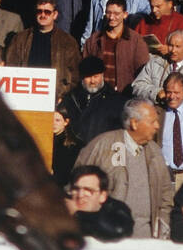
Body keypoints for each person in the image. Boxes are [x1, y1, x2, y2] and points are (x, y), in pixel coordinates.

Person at [74, 98, 172, 239]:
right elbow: (76, 186)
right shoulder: (102, 145)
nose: (157, 126)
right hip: (107, 240)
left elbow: (166, 195)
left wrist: (163, 226)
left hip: (147, 241)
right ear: (134, 123)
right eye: (152, 122)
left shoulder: (155, 152)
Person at [4, 0, 81, 103]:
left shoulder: (67, 41)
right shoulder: (20, 38)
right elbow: (10, 68)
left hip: (56, 98)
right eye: (39, 11)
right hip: (25, 96)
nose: (43, 15)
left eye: (47, 12)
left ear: (55, 14)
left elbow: (75, 75)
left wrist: (62, 96)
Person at [133, 29, 183, 109]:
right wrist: (157, 93)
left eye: (177, 46)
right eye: (170, 46)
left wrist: (177, 98)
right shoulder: (154, 63)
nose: (173, 50)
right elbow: (137, 86)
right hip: (156, 117)